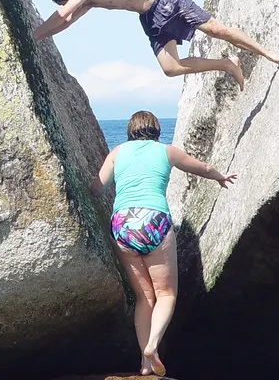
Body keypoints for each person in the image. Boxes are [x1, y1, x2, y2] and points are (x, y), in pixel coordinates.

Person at [91, 110, 236, 377]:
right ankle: (152, 347)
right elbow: (201, 167)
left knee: (144, 298)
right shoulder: (166, 151)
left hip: (122, 224)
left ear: (130, 131)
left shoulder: (117, 153)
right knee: (166, 294)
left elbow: (97, 187)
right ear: (156, 130)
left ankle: (146, 364)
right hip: (153, 221)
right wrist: (220, 177)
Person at [32, 0, 279, 91]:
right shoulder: (89, 2)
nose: (67, 6)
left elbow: (64, 15)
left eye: (65, 2)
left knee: (216, 30)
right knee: (170, 68)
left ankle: (268, 53)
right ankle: (227, 64)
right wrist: (38, 38)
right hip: (149, 17)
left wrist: (31, 35)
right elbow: (66, 22)